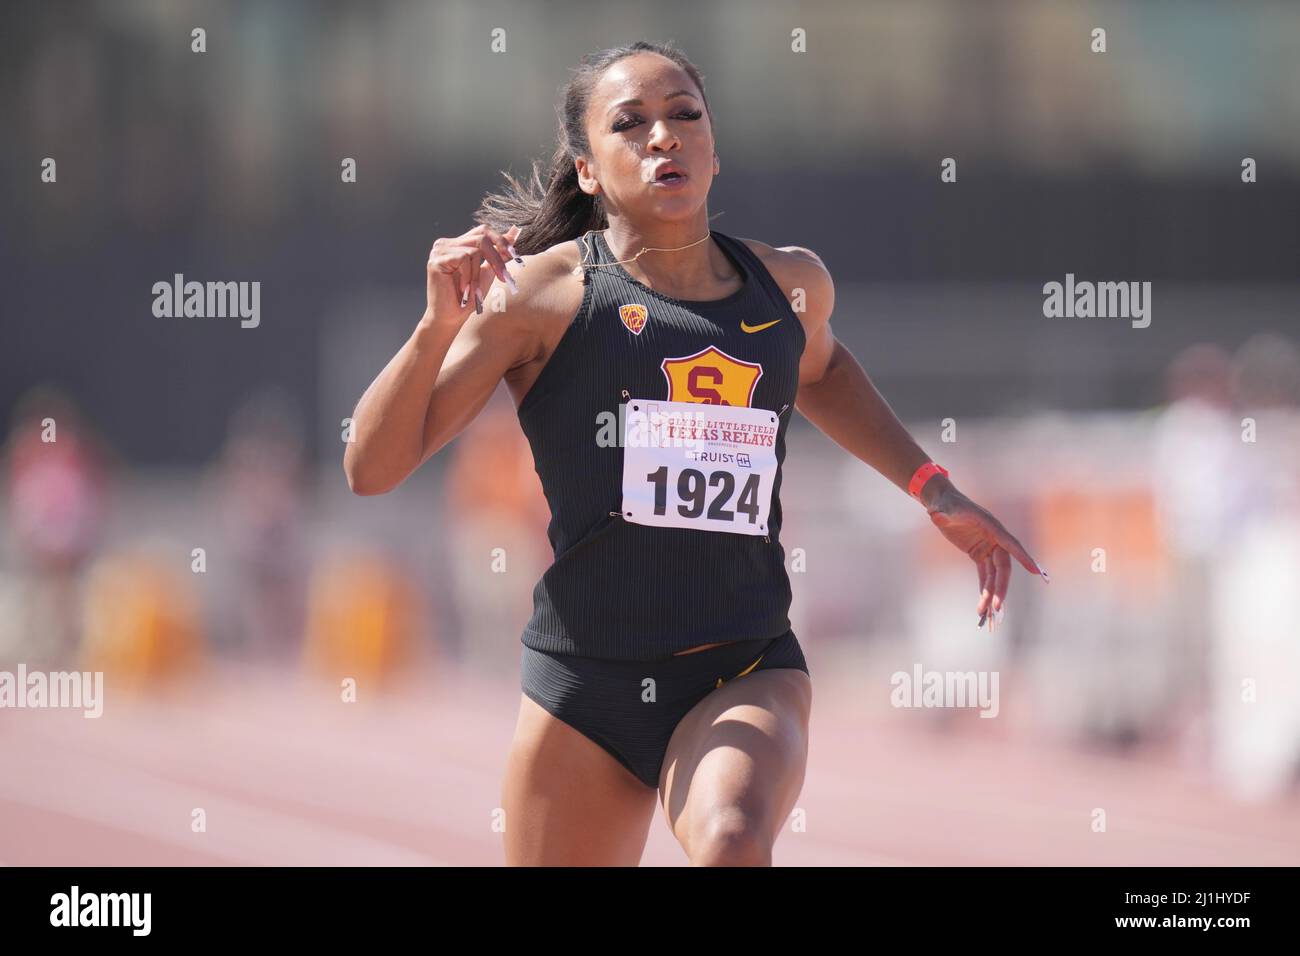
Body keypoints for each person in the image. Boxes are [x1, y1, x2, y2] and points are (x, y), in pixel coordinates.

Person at [343, 40, 1045, 866]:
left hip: (740, 668)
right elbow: (371, 468)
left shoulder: (788, 286)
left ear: (714, 149)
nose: (663, 139)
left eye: (684, 117)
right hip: (583, 686)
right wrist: (435, 328)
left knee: (730, 840)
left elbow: (823, 368)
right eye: (630, 125)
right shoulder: (540, 297)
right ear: (588, 172)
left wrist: (932, 486)